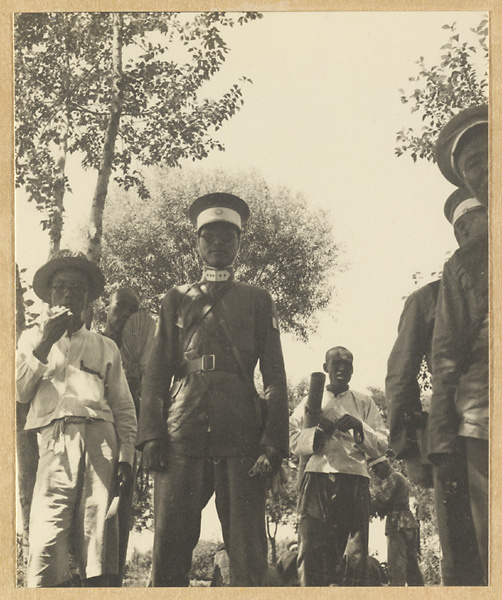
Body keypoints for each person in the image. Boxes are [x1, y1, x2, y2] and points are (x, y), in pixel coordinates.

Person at [136, 193, 289, 587]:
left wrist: (273, 442)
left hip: (241, 437)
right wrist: (151, 434)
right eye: (209, 235)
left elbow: (274, 377)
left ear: (239, 243)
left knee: (248, 555)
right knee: (169, 550)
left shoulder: (257, 300)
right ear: (197, 242)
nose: (218, 242)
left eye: (227, 235)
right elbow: (155, 374)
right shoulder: (175, 299)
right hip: (180, 434)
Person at [16, 250, 137, 587]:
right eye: (60, 286)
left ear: (88, 298)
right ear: (49, 295)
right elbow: (19, 392)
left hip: (101, 442)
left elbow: (123, 407)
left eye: (76, 287)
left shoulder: (105, 346)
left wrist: (126, 457)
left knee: (99, 539)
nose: (68, 292)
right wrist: (44, 344)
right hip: (54, 445)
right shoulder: (31, 339)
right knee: (45, 540)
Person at [386, 188, 485, 585]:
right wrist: (410, 449)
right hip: (453, 440)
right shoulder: (427, 299)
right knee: (464, 555)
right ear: (461, 230)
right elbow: (400, 376)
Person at [429, 106, 489, 583]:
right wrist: (442, 444)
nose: (484, 172)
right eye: (472, 168)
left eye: (490, 157)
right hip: (485, 424)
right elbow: (446, 360)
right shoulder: (464, 266)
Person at [290, 346, 388, 586]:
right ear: (326, 368)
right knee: (311, 552)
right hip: (317, 479)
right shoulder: (310, 401)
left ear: (353, 370)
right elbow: (292, 438)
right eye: (336, 364)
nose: (342, 368)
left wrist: (358, 426)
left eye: (348, 364)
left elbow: (383, 444)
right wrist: (317, 433)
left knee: (355, 556)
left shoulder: (364, 402)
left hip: (354, 480)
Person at [369, 456, 424, 586]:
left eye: (375, 468)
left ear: (383, 464)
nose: (375, 473)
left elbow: (381, 501)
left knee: (396, 566)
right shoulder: (399, 477)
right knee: (412, 566)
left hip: (397, 523)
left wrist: (365, 504)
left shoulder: (392, 478)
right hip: (408, 523)